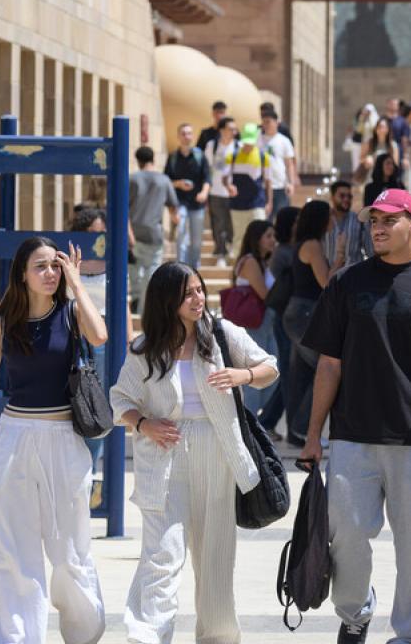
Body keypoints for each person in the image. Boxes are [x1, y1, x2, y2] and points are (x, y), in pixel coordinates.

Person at [298, 189, 411, 644]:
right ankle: (355, 612)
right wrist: (314, 435)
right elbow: (329, 364)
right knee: (348, 537)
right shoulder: (346, 283)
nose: (377, 228)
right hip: (352, 436)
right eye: (373, 221)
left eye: (389, 220)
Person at [110, 262, 277, 644]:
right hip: (162, 455)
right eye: (188, 293)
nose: (197, 298)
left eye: (200, 289)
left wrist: (244, 376)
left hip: (216, 454)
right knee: (162, 555)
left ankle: (218, 637)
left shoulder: (222, 334)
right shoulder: (144, 349)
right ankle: (147, 634)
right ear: (167, 300)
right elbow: (119, 399)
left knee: (215, 557)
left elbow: (271, 366)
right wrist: (143, 423)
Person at [0, 236, 107, 644]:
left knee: (69, 551)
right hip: (16, 438)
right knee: (13, 552)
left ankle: (83, 630)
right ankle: (18, 637)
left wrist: (78, 284)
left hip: (63, 439)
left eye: (55, 265)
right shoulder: (0, 325)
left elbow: (100, 336)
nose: (50, 273)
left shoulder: (72, 313)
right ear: (21, 275)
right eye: (40, 266)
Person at [68, 205, 131, 506]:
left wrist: (130, 341)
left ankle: (92, 473)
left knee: (99, 406)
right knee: (71, 404)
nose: (97, 237)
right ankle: (76, 471)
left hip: (105, 340)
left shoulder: (112, 261)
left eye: (101, 232)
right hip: (73, 338)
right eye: (91, 232)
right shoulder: (70, 264)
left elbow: (124, 303)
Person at [281, 200, 335, 447]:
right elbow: (327, 282)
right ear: (321, 220)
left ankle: (296, 432)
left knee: (299, 376)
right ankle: (303, 429)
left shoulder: (303, 243)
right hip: (305, 314)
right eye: (330, 215)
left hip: (298, 314)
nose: (333, 219)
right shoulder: (312, 245)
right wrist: (342, 256)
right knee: (325, 370)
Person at [259, 206, 303, 434]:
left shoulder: (300, 247)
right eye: (295, 220)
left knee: (290, 373)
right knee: (287, 372)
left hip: (295, 315)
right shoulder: (283, 252)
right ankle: (291, 425)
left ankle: (266, 420)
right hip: (285, 315)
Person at [232, 219, 282, 413]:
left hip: (265, 323)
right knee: (254, 377)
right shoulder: (250, 261)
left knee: (273, 375)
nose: (273, 240)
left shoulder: (262, 261)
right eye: (268, 236)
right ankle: (249, 422)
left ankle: (250, 419)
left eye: (274, 236)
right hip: (254, 324)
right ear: (257, 238)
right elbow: (265, 294)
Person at [129, 146, 181, 313]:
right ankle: (144, 305)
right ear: (153, 159)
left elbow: (123, 208)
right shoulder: (164, 180)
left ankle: (137, 297)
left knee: (134, 268)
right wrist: (174, 230)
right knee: (152, 269)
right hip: (154, 232)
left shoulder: (132, 179)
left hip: (133, 231)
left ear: (138, 161)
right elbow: (173, 209)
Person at [164, 123, 212, 270]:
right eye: (184, 133)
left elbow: (207, 179)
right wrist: (178, 184)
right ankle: (182, 268)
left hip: (197, 204)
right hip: (180, 203)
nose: (187, 137)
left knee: (197, 240)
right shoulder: (173, 157)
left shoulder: (200, 156)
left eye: (190, 133)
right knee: (181, 237)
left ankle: (194, 268)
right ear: (178, 136)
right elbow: (166, 182)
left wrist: (204, 193)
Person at [203, 117, 239, 267]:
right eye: (230, 128)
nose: (233, 132)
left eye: (234, 129)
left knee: (231, 223)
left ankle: (231, 247)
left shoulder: (239, 146)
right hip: (215, 191)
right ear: (222, 130)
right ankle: (221, 252)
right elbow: (206, 169)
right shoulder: (212, 145)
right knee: (218, 224)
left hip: (233, 192)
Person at [228, 121, 270, 238]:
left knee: (260, 236)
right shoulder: (233, 155)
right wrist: (228, 186)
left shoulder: (263, 156)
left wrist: (269, 202)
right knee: (239, 238)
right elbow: (225, 177)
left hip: (257, 203)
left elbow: (268, 181)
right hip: (238, 204)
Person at [257, 104, 299, 216]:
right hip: (262, 186)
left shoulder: (284, 141)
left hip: (280, 185)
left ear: (276, 123)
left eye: (268, 122)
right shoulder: (257, 140)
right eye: (264, 122)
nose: (265, 125)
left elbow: (289, 164)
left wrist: (291, 183)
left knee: (282, 218)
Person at [323, 180, 372, 271]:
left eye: (349, 196)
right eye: (342, 196)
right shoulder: (323, 219)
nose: (346, 199)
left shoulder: (359, 220)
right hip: (328, 277)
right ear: (332, 197)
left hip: (354, 276)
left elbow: (370, 251)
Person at [359, 116, 399, 181]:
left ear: (388, 129)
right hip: (371, 178)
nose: (381, 130)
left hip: (387, 178)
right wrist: (366, 160)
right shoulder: (369, 143)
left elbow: (396, 164)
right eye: (379, 127)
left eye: (383, 127)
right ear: (375, 129)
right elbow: (361, 159)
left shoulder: (393, 145)